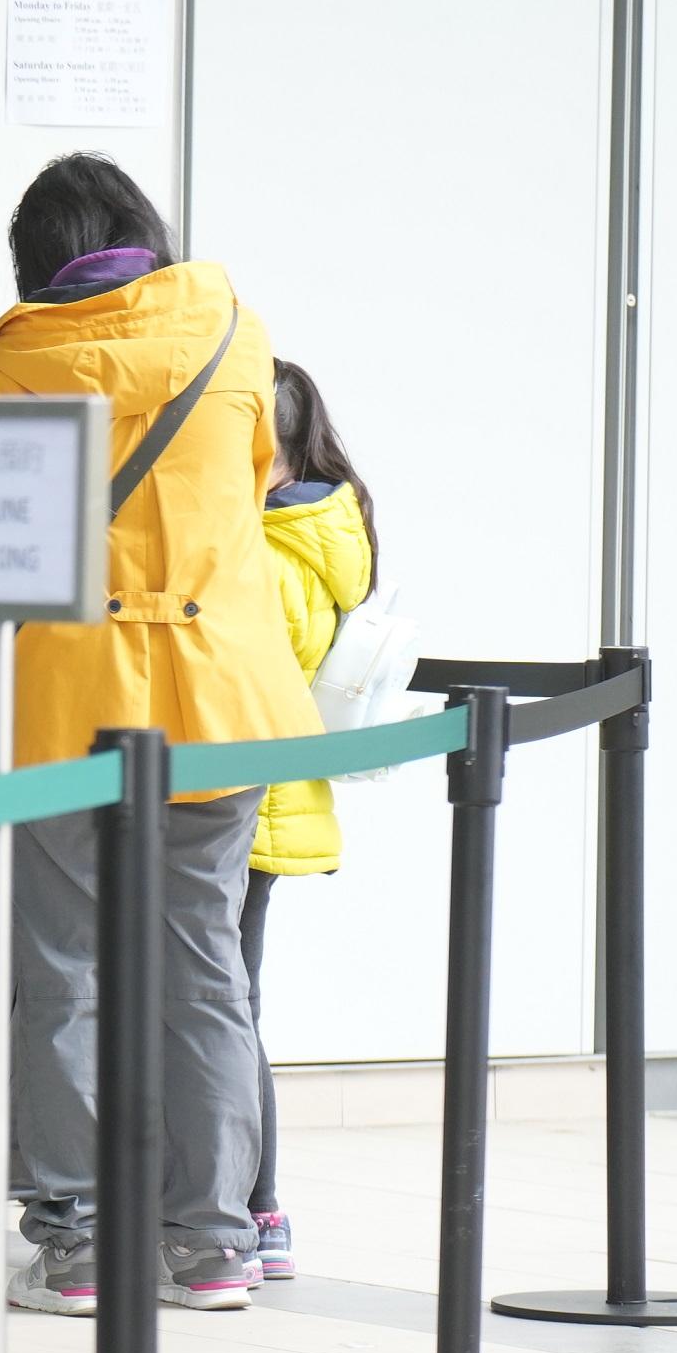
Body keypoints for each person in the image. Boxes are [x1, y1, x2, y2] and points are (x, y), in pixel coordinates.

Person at [0, 153, 314, 1314]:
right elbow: (256, 481)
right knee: (205, 965)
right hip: (218, 699)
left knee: (62, 967)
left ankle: (74, 1240)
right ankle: (212, 1237)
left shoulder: (12, 358)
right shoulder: (232, 331)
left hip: (72, 699)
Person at [241, 359, 376, 1280]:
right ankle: (253, 1205)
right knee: (231, 1002)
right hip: (276, 796)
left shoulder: (265, 550)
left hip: (240, 799)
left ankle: (255, 1205)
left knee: (223, 1008)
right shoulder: (324, 533)